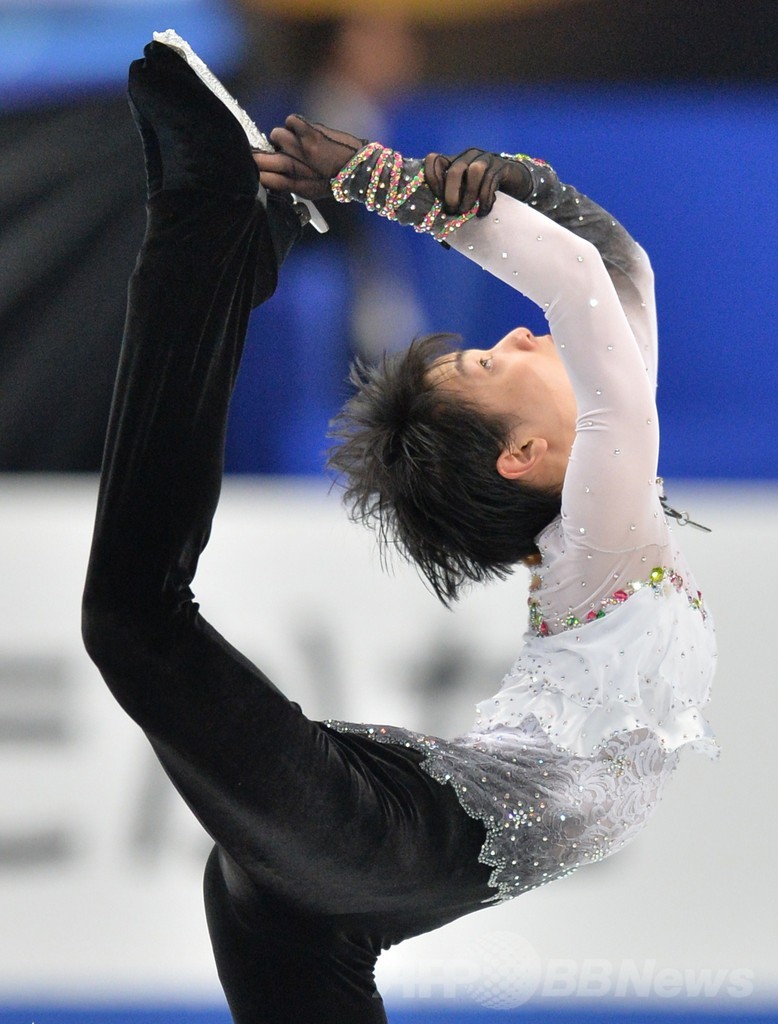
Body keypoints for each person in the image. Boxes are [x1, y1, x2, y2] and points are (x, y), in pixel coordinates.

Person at [82, 37, 717, 1024]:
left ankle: (223, 230)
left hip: (370, 842)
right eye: (491, 363)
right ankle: (211, 220)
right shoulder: (605, 519)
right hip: (385, 836)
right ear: (523, 452)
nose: (516, 335)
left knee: (132, 622)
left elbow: (603, 277)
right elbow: (595, 280)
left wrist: (473, 186)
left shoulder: (600, 519)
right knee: (131, 619)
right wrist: (419, 183)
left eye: (483, 356)